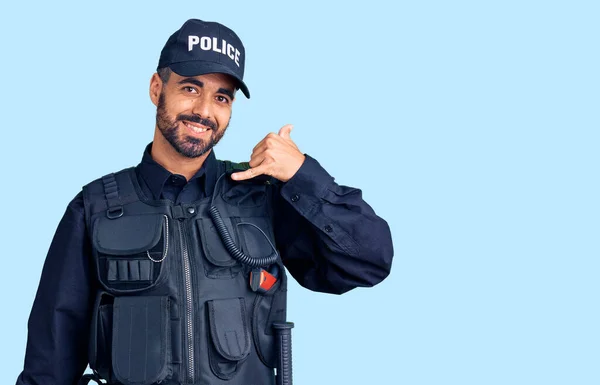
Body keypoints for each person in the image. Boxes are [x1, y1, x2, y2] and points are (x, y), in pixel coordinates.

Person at [15, 18, 394, 385]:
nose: (205, 111)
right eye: (191, 89)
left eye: (222, 97)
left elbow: (368, 261)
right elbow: (50, 360)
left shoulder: (263, 195)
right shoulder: (93, 207)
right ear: (155, 88)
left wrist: (303, 176)